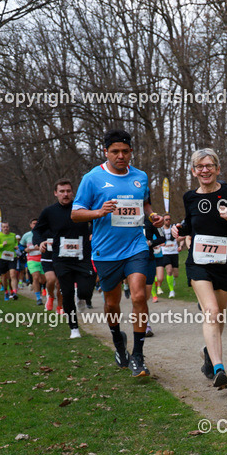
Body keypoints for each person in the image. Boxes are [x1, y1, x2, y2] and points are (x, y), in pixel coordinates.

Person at [71, 129, 163, 377]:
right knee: (112, 304)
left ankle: (138, 356)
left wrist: (153, 216)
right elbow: (76, 213)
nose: (120, 156)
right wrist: (98, 212)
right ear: (106, 152)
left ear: (131, 151)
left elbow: (144, 203)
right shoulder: (92, 178)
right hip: (106, 251)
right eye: (115, 151)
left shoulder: (140, 176)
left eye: (125, 151)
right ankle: (119, 344)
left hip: (136, 246)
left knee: (139, 296)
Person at [172, 148, 227, 389]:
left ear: (217, 169)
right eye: (200, 166)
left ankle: (208, 353)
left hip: (225, 264)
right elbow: (190, 225)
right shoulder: (189, 197)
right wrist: (178, 229)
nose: (204, 170)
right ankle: (219, 368)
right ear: (193, 171)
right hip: (198, 263)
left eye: (209, 166)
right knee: (212, 311)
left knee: (220, 313)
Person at [35, 179, 96, 339]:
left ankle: (82, 297)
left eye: (68, 191)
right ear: (56, 193)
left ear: (73, 192)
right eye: (62, 191)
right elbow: (37, 230)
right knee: (67, 293)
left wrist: (92, 233)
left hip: (82, 257)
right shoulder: (49, 212)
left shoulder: (81, 209)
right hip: (61, 259)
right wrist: (40, 242)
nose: (65, 194)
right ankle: (74, 328)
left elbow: (97, 222)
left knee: (86, 289)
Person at [0, 222, 19, 300]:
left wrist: (16, 246)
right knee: (4, 277)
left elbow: (15, 243)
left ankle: (14, 292)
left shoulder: (13, 235)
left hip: (12, 257)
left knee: (13, 274)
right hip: (2, 258)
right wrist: (1, 245)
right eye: (4, 227)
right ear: (1, 228)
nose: (6, 228)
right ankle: (6, 291)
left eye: (7, 227)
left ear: (9, 227)